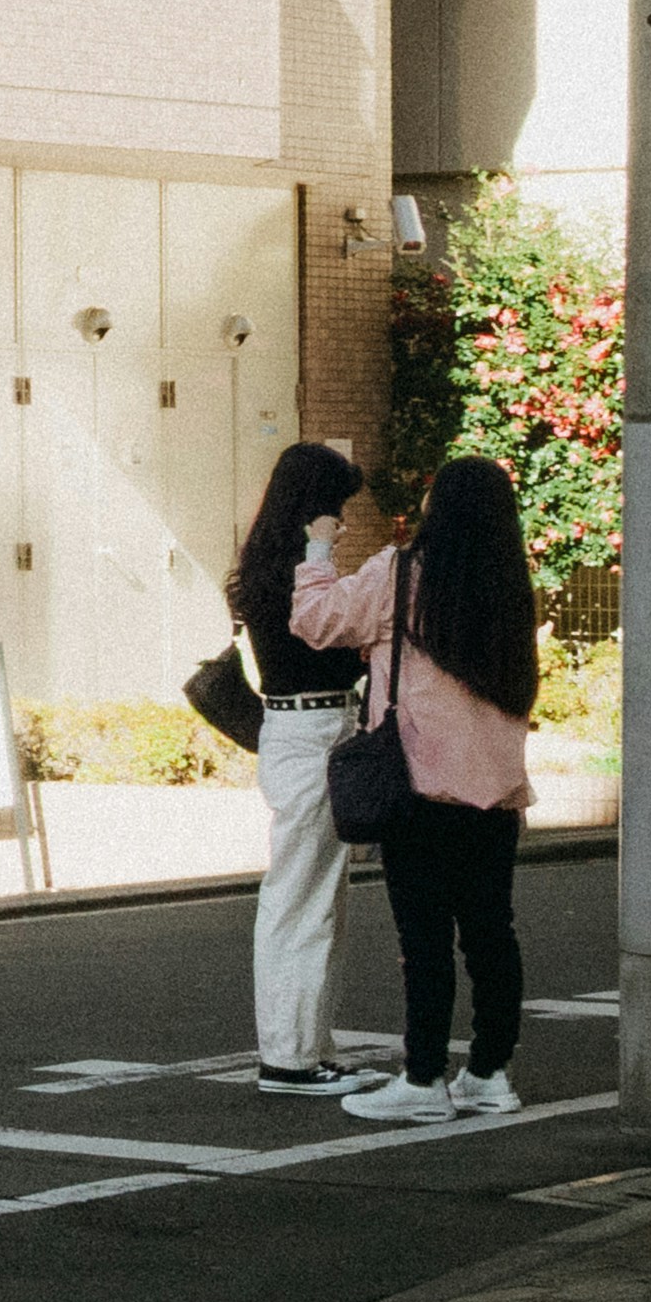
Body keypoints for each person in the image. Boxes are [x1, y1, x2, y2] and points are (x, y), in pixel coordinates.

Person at [293, 456, 542, 1123]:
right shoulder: (511, 590)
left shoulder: (402, 574)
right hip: (495, 795)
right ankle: (489, 1073)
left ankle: (425, 1077)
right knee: (491, 935)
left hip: (419, 789)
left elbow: (316, 619)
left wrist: (319, 545)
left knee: (425, 940)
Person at [230, 443, 383, 1097]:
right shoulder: (293, 574)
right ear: (310, 508)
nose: (342, 523)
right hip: (311, 729)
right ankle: (290, 1058)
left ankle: (308, 1048)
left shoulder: (261, 568)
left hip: (303, 728)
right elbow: (322, 640)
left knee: (313, 898)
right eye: (335, 510)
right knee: (303, 901)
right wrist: (321, 554)